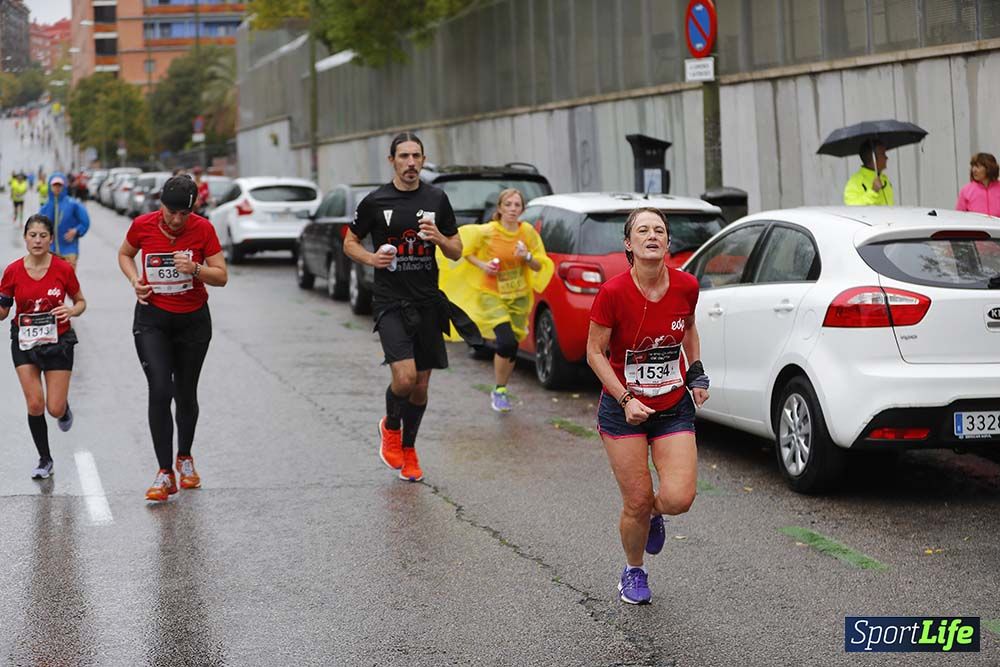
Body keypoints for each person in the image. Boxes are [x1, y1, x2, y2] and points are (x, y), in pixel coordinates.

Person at [585, 207, 709, 605]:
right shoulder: (613, 293)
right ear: (629, 243)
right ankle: (633, 570)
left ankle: (654, 517)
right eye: (643, 230)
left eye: (659, 230)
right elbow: (594, 352)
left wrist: (696, 373)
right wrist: (625, 398)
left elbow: (688, 328)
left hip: (672, 406)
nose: (652, 235)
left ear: (668, 242)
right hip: (623, 411)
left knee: (678, 499)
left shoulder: (687, 286)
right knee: (636, 500)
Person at [343, 132, 463, 482]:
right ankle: (390, 427)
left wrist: (440, 238)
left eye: (416, 156)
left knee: (421, 385)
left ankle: (409, 449)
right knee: (405, 377)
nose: (411, 163)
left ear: (423, 161)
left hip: (427, 302)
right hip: (391, 301)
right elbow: (350, 242)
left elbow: (456, 250)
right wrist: (370, 258)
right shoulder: (375, 201)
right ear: (391, 160)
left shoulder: (437, 199)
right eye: (404, 156)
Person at [117, 175, 228, 502]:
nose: (176, 219)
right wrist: (135, 279)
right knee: (160, 390)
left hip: (193, 321)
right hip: (152, 320)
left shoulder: (203, 229)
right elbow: (124, 254)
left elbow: (221, 276)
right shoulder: (143, 225)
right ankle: (165, 473)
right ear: (160, 204)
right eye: (171, 211)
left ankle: (185, 457)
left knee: (185, 392)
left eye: (183, 213)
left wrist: (195, 269)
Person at [437, 188, 553, 412]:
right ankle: (499, 390)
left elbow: (541, 264)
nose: (512, 209)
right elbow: (463, 249)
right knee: (506, 341)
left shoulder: (527, 233)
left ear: (522, 209)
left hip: (519, 296)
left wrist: (526, 256)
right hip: (492, 294)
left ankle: (501, 388)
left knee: (512, 346)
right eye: (508, 205)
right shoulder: (488, 231)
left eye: (516, 205)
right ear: (499, 208)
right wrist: (484, 265)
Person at [0, 214, 86, 479]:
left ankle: (64, 408)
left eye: (43, 236)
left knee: (54, 408)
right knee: (35, 403)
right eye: (32, 235)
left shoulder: (63, 269)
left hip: (58, 341)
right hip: (25, 342)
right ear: (25, 238)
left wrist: (71, 311)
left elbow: (81, 302)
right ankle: (45, 459)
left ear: (51, 239)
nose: (37, 240)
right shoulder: (12, 271)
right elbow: (3, 312)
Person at [39, 173, 90, 269]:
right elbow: (38, 227)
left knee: (69, 281)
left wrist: (76, 231)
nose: (57, 188)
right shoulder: (45, 208)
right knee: (53, 282)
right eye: (54, 185)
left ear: (64, 186)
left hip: (69, 250)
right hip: (50, 251)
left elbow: (85, 222)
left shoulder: (73, 204)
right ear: (50, 186)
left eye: (60, 185)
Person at [844, 140, 893, 206]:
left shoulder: (884, 179)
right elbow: (852, 208)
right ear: (873, 158)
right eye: (883, 154)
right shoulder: (855, 182)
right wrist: (873, 191)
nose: (886, 158)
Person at [956, 152, 1000, 217]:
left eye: (977, 166)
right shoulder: (966, 191)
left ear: (989, 168)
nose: (974, 170)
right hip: (975, 226)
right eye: (973, 166)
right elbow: (959, 217)